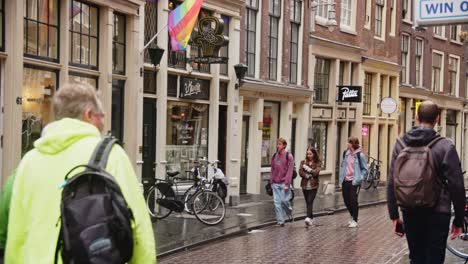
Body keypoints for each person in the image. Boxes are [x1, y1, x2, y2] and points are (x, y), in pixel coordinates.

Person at [5, 83, 156, 263]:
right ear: (88, 114)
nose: (103, 123)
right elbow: (139, 229)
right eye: (101, 116)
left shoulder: (29, 161)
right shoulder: (111, 155)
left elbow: (16, 234)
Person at [387, 100, 465, 264]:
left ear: (416, 117)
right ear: (437, 119)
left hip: (410, 211)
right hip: (439, 213)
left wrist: (394, 216)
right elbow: (456, 185)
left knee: (416, 257)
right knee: (435, 258)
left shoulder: (400, 145)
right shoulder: (445, 146)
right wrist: (458, 220)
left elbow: (391, 182)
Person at [339, 136, 367, 228]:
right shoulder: (345, 154)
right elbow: (343, 166)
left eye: (348, 142)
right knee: (346, 200)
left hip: (355, 181)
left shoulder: (360, 155)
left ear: (353, 144)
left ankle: (355, 220)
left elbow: (364, 169)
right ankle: (352, 215)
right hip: (345, 180)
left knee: (353, 200)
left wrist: (360, 178)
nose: (347, 144)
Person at [270, 137, 294, 227]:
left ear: (284, 145)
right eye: (277, 144)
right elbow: (272, 169)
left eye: (279, 144)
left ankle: (289, 212)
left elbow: (290, 171)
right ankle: (280, 221)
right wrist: (271, 181)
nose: (278, 146)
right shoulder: (274, 156)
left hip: (284, 183)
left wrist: (287, 183)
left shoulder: (289, 156)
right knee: (277, 203)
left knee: (284, 201)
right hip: (275, 183)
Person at [299, 147, 321, 227]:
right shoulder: (303, 162)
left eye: (310, 154)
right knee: (307, 202)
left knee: (309, 201)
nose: (309, 155)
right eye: (308, 154)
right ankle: (311, 217)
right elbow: (300, 172)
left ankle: (308, 218)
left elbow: (316, 173)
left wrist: (308, 169)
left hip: (313, 185)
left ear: (314, 154)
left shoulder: (318, 162)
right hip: (304, 185)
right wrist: (307, 176)